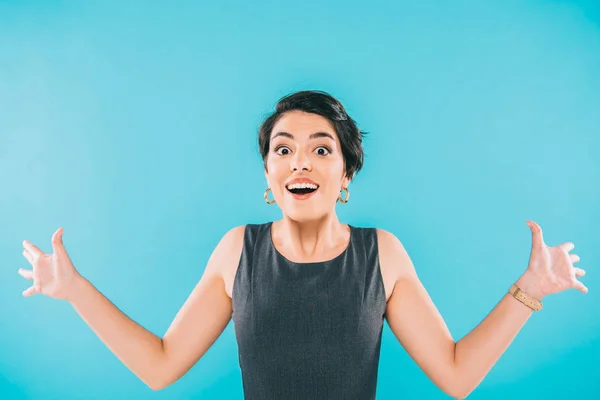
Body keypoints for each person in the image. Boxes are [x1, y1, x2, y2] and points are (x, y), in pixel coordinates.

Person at [19, 90, 588, 399]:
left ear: (345, 176)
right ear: (268, 175)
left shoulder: (380, 254)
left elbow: (457, 376)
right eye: (283, 148)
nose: (300, 161)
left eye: (322, 149)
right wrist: (74, 291)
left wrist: (530, 289)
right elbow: (160, 365)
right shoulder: (236, 251)